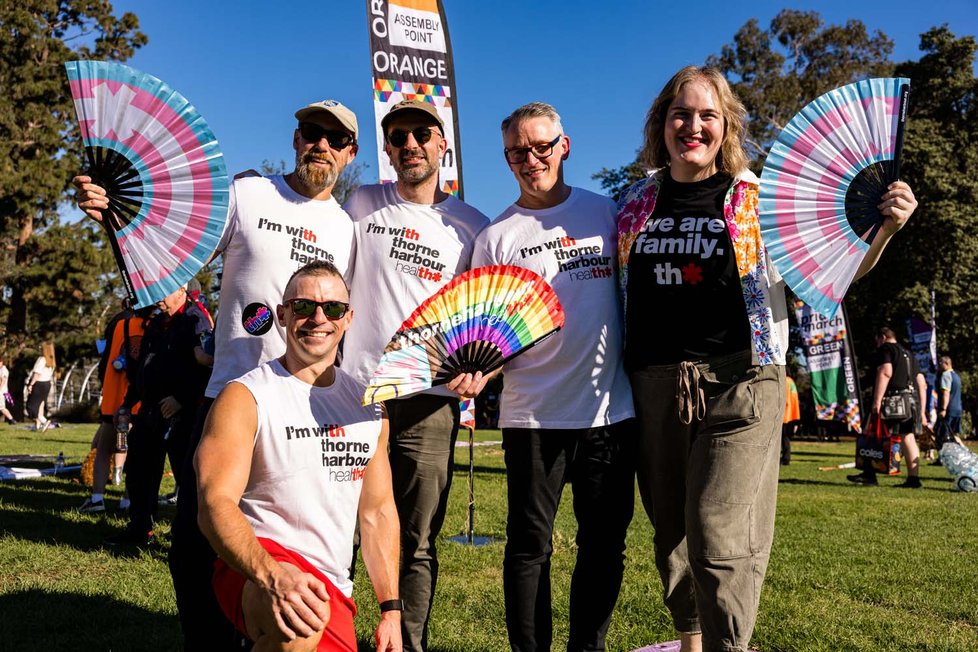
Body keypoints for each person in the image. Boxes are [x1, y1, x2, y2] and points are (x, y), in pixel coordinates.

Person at [616, 66, 917, 652]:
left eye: (707, 115)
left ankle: (732, 646)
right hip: (654, 381)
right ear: (662, 123)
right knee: (670, 529)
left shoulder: (760, 199)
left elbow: (830, 276)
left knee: (717, 530)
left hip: (743, 379)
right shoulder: (633, 201)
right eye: (681, 114)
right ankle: (691, 641)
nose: (693, 126)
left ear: (726, 125)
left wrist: (883, 231)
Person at [72, 99, 361, 649]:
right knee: (193, 542)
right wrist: (116, 215)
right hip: (226, 394)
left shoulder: (346, 230)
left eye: (334, 137)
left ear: (348, 154)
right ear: (297, 138)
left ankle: (279, 624)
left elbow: (343, 316)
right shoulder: (249, 194)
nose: (320, 143)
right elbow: (173, 249)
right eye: (311, 131)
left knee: (293, 534)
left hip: (303, 408)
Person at [469, 102, 636, 651]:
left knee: (605, 545)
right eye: (518, 151)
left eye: (542, 146)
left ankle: (586, 648)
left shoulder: (607, 214)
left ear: (565, 146)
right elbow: (482, 330)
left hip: (609, 411)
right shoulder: (496, 238)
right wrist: (475, 370)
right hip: (531, 414)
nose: (531, 158)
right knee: (528, 546)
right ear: (506, 159)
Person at [342, 99, 490, 651]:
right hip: (355, 395)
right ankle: (330, 634)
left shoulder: (473, 227)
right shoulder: (361, 203)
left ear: (442, 143)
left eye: (421, 133)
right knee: (342, 526)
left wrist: (481, 369)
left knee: (418, 536)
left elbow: (483, 317)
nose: (410, 144)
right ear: (387, 148)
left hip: (430, 400)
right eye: (398, 135)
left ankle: (406, 643)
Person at [196, 261, 401, 652]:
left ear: (349, 318)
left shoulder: (370, 406)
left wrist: (390, 609)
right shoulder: (244, 397)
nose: (318, 318)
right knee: (300, 619)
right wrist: (272, 575)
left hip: (331, 586)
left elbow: (377, 512)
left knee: (309, 611)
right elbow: (213, 503)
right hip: (257, 563)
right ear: (282, 315)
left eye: (333, 309)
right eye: (303, 307)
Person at [105, 285, 209, 544]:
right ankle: (140, 529)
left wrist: (181, 400)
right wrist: (128, 404)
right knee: (139, 472)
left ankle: (188, 536)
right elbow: (143, 367)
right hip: (150, 410)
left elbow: (207, 368)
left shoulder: (197, 320)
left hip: (181, 414)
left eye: (165, 291)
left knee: (186, 478)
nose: (159, 298)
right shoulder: (155, 323)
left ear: (182, 289)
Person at [77, 305, 152, 514]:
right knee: (134, 450)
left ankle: (97, 498)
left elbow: (106, 360)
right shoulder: (155, 326)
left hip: (115, 395)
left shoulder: (120, 325)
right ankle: (127, 500)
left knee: (104, 448)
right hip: (140, 397)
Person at [848, 327, 926, 488]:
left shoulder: (886, 349)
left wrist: (877, 401)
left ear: (882, 338)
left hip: (893, 400)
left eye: (877, 341)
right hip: (911, 401)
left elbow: (885, 372)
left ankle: (869, 474)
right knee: (908, 436)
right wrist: (923, 411)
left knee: (872, 432)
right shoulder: (909, 354)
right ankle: (913, 479)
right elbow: (921, 382)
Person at [25, 341, 56, 431]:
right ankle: (37, 426)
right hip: (47, 383)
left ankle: (44, 421)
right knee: (41, 405)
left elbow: (37, 374)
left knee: (30, 407)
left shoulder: (42, 359)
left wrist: (31, 384)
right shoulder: (52, 360)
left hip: (39, 383)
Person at [938, 355, 964, 440]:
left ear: (946, 363)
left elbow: (946, 393)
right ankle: (965, 452)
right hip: (958, 409)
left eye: (941, 362)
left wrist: (943, 409)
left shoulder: (946, 375)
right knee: (954, 435)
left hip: (949, 409)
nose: (939, 364)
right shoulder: (956, 376)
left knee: (944, 435)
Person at [782, 375, 802, 465]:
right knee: (786, 438)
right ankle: (786, 458)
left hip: (785, 414)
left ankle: (785, 459)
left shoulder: (785, 381)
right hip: (792, 414)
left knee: (783, 438)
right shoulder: (791, 381)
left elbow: (784, 399)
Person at [0, 355, 16, 424]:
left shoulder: (4, 370)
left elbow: (3, 380)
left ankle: (11, 420)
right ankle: (11, 420)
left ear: (1, 362)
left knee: (1, 407)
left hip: (1, 391)